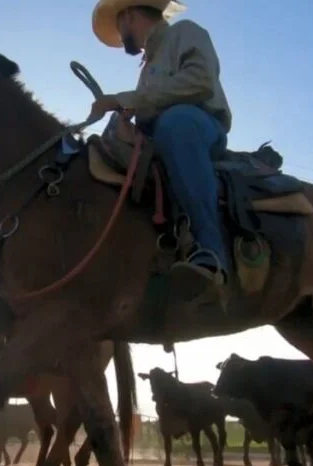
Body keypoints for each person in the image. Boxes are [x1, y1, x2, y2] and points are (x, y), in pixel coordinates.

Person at [89, 0, 233, 301]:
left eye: (119, 26)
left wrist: (123, 99)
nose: (120, 34)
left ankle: (211, 252)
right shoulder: (147, 66)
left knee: (176, 123)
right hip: (162, 135)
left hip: (199, 126)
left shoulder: (185, 32)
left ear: (128, 17)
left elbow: (200, 81)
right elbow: (148, 104)